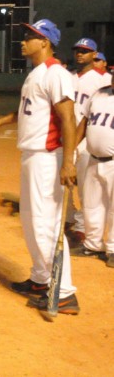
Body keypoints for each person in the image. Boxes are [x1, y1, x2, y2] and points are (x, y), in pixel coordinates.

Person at [0, 19, 80, 315]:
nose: (23, 41)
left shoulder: (56, 73)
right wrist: (0, 121)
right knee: (30, 221)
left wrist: (69, 162)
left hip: (47, 157)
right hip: (31, 155)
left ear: (46, 42)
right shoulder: (36, 74)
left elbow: (68, 119)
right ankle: (41, 279)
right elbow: (29, 110)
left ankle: (64, 293)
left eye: (31, 36)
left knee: (45, 223)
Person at [65, 38, 112, 246]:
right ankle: (73, 222)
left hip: (91, 143)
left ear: (95, 54)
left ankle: (85, 229)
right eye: (78, 50)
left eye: (85, 51)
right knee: (67, 185)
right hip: (71, 138)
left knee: (87, 189)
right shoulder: (69, 77)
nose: (80, 54)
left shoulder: (102, 79)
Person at [74, 71, 114, 267]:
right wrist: (72, 146)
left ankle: (113, 249)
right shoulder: (98, 94)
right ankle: (92, 244)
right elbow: (84, 123)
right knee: (92, 204)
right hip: (93, 158)